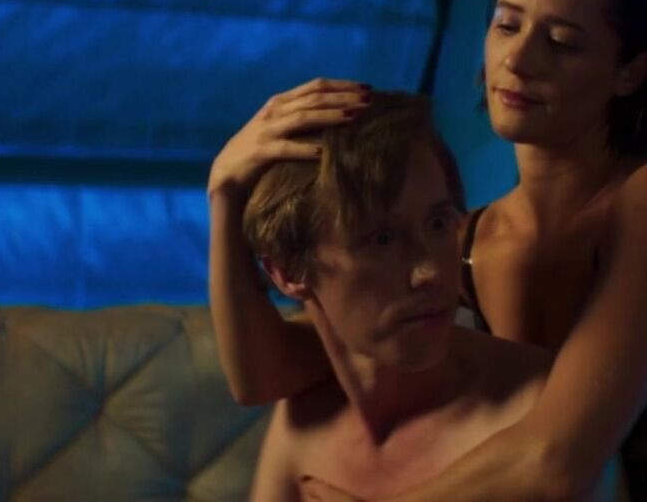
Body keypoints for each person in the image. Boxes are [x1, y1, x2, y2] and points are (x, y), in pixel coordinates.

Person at [209, 0, 647, 500]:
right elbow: (264, 376)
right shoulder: (467, 240)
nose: (519, 60)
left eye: (562, 41)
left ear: (630, 72)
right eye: (506, 25)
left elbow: (555, 463)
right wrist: (225, 194)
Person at [229, 92, 615, 500]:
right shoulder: (306, 417)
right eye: (382, 239)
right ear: (288, 272)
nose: (429, 272)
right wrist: (224, 191)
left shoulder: (538, 415)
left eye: (438, 223)